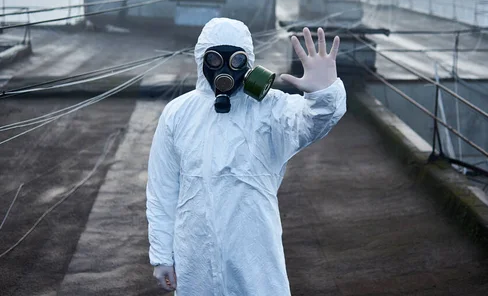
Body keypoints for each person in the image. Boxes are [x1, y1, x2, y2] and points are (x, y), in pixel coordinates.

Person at [146, 17, 347, 295]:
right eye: (214, 60)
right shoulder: (178, 113)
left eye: (236, 60)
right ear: (201, 59)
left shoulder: (270, 108)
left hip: (256, 262)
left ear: (250, 64)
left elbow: (313, 122)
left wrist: (324, 93)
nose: (225, 69)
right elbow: (162, 190)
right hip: (195, 261)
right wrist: (162, 255)